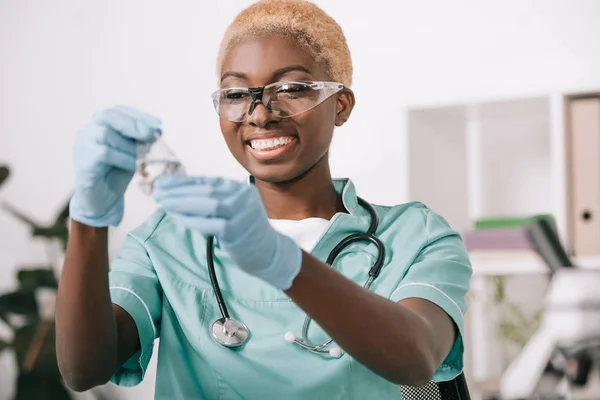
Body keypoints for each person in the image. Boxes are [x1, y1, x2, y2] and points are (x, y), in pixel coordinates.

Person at [55, 1, 472, 399]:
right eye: (236, 95)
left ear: (340, 105)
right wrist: (89, 220)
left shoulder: (417, 236)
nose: (260, 114)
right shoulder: (167, 239)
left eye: (291, 88)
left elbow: (417, 357)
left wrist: (281, 261)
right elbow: (84, 370)